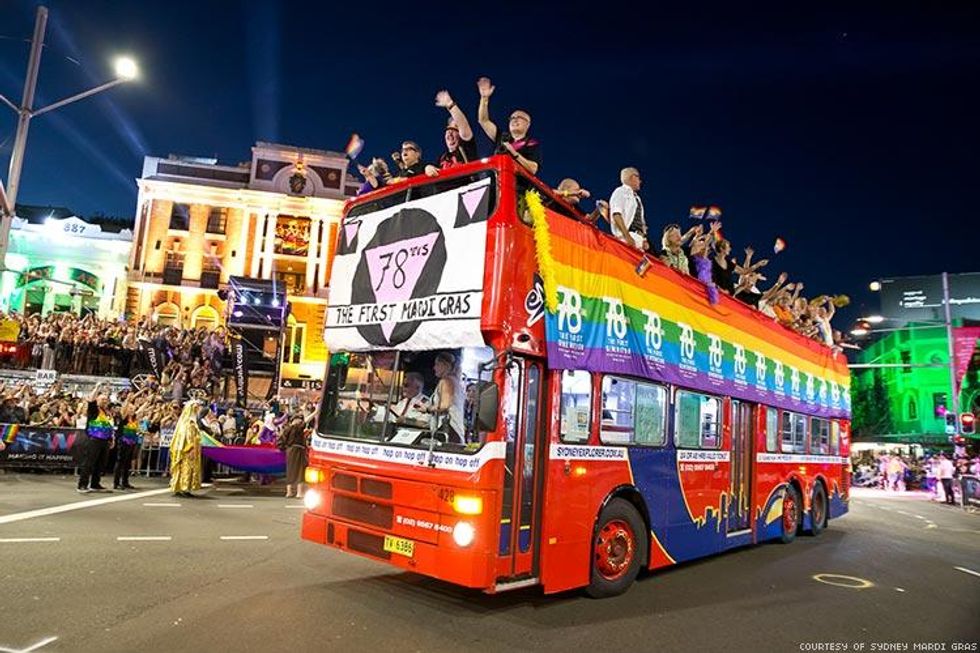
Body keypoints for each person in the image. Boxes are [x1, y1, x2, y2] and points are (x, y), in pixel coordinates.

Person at [476, 76, 540, 175]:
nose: (515, 120)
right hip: (496, 180)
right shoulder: (502, 137)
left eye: (519, 117)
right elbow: (483, 120)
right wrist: (484, 99)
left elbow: (533, 169)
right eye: (512, 118)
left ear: (528, 124)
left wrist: (513, 153)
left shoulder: (531, 144)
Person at [77, 382, 115, 494]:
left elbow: (109, 426)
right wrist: (97, 388)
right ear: (97, 400)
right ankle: (82, 485)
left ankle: (95, 484)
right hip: (94, 439)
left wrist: (111, 439)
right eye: (102, 399)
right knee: (89, 463)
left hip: (105, 441)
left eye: (106, 400)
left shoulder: (107, 413)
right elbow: (91, 400)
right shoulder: (94, 410)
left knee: (100, 464)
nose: (104, 401)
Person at [420, 352, 465, 443]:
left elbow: (445, 405)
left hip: (448, 428)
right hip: (454, 427)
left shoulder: (446, 381)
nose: (434, 368)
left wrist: (427, 409)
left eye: (437, 364)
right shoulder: (456, 382)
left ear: (445, 365)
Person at [432, 90, 478, 170]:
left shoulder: (468, 149)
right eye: (448, 130)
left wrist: (451, 105)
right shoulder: (442, 158)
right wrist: (428, 167)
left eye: (455, 130)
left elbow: (464, 130)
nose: (450, 133)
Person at [169, 401, 205, 497]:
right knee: (187, 468)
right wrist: (192, 448)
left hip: (185, 449)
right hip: (188, 450)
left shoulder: (185, 422)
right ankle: (184, 488)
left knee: (183, 468)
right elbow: (189, 437)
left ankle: (179, 487)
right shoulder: (190, 423)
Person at [609, 167, 647, 249]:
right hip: (627, 238)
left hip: (638, 240)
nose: (640, 181)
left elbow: (641, 222)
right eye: (638, 177)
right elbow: (616, 214)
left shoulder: (637, 198)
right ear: (632, 177)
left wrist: (644, 239)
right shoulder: (621, 191)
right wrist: (627, 236)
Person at [280, 414, 308, 499]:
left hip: (290, 451)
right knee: (300, 471)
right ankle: (299, 493)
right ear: (295, 420)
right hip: (298, 450)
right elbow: (306, 421)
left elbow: (281, 441)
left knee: (290, 470)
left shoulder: (286, 429)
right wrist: (315, 412)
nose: (300, 421)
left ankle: (289, 492)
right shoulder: (297, 428)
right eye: (299, 419)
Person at [113, 407, 140, 490]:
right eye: (130, 409)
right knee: (120, 462)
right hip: (123, 442)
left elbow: (140, 411)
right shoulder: (123, 419)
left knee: (127, 463)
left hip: (131, 443)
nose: (132, 411)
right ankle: (116, 483)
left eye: (133, 409)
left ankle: (125, 482)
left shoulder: (134, 420)